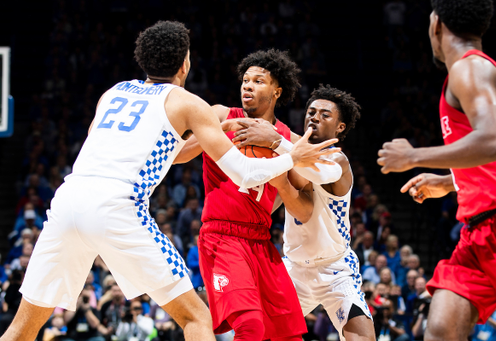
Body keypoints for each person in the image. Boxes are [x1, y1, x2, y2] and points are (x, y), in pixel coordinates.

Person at [1, 22, 336, 341]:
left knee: (23, 328)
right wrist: (292, 156)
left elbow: (98, 142)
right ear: (185, 63)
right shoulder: (190, 103)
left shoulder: (112, 93)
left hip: (67, 202)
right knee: (195, 318)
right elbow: (245, 174)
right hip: (118, 209)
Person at [176, 49, 340, 341]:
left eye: (258, 81)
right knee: (250, 326)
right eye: (245, 80)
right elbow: (177, 156)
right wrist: (215, 132)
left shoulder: (289, 140)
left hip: (261, 242)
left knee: (288, 336)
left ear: (277, 91)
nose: (247, 86)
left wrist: (283, 184)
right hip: (222, 237)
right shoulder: (220, 115)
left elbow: (304, 211)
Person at [378, 0, 496, 338]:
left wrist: (413, 156)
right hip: (479, 234)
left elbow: (495, 141)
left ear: (436, 24)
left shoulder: (471, 70)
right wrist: (453, 181)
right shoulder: (471, 72)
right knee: (441, 327)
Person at [229, 85, 375, 341]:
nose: (315, 117)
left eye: (325, 114)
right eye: (311, 111)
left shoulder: (336, 159)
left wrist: (275, 140)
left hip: (335, 271)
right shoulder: (289, 157)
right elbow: (288, 206)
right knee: (251, 333)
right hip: (294, 270)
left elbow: (316, 170)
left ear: (340, 127)